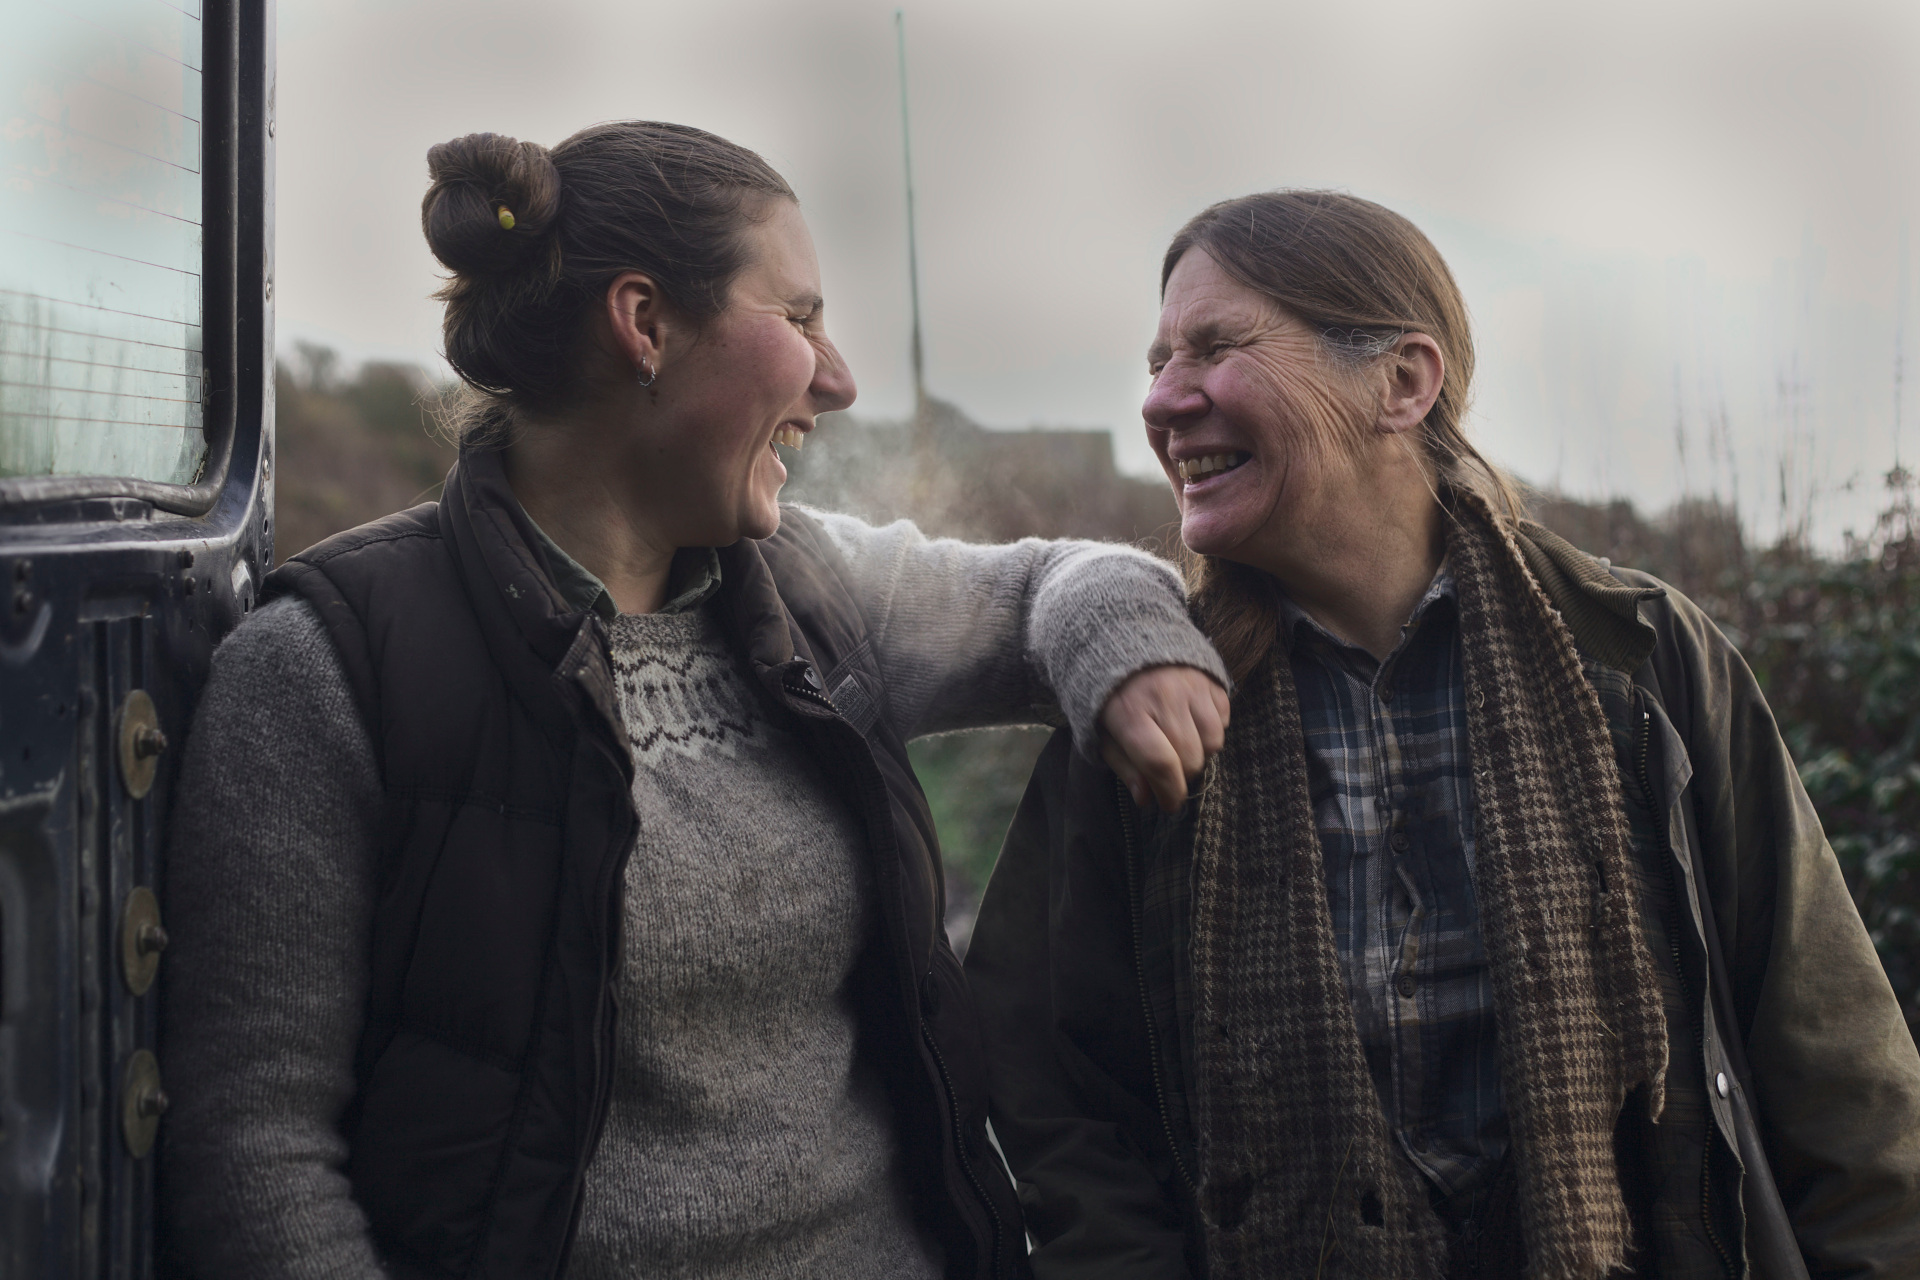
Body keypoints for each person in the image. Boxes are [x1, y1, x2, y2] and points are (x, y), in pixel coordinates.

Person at [158, 122, 1231, 1280]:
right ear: (647, 324)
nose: (839, 376)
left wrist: (1127, 649)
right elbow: (254, 1145)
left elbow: (1054, 582)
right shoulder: (326, 666)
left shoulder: (816, 589)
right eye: (803, 317)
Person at [965, 190, 1920, 1280]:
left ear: (1403, 381)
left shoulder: (1639, 660)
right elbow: (1053, 1087)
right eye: (1156, 360)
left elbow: (1832, 1059)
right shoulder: (1149, 697)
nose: (1162, 399)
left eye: (1215, 346)